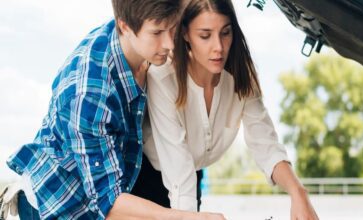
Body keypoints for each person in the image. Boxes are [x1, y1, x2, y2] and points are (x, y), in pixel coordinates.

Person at [1, 0, 226, 219]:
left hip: (110, 189)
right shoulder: (90, 93)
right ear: (124, 26)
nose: (169, 43)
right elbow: (109, 203)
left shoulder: (142, 32)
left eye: (173, 27)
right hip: (61, 203)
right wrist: (186, 217)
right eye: (157, 33)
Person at [141, 0, 319, 219]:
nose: (219, 47)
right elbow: (179, 173)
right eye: (205, 36)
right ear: (185, 34)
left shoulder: (241, 74)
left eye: (225, 33)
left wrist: (298, 192)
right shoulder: (162, 79)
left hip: (192, 178)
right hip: (147, 184)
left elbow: (265, 143)